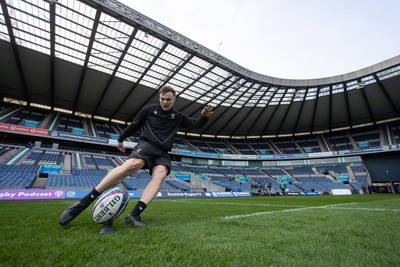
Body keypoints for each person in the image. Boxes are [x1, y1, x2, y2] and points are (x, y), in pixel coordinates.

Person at [59, 86, 214, 234]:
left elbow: (196, 124)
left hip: (162, 152)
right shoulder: (148, 110)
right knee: (134, 164)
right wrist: (121, 139)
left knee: (160, 175)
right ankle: (82, 203)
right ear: (159, 98)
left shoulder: (178, 117)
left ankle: (134, 215)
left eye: (168, 99)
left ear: (174, 99)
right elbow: (134, 125)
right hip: (146, 145)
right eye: (162, 99)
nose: (165, 102)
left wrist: (204, 117)